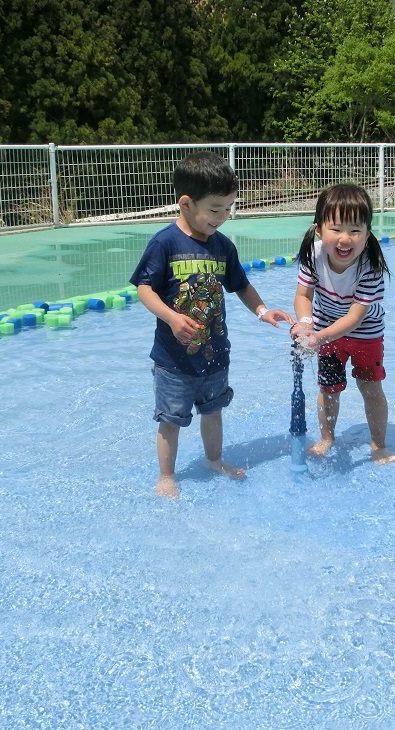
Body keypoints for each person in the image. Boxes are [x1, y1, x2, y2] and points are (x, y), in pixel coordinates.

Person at [130, 151, 293, 498]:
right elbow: (144, 289)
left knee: (213, 411)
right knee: (171, 420)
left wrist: (263, 311)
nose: (223, 217)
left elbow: (241, 286)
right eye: (215, 209)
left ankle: (214, 459)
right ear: (186, 204)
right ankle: (166, 476)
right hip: (174, 359)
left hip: (215, 353)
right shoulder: (165, 243)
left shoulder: (222, 247)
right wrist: (172, 318)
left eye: (228, 208)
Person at [289, 184, 395, 465]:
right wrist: (305, 323)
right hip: (326, 330)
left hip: (365, 334)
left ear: (367, 234)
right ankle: (327, 438)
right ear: (319, 230)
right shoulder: (313, 255)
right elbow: (303, 296)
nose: (345, 239)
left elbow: (355, 317)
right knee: (329, 389)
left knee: (370, 388)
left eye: (355, 230)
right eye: (336, 229)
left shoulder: (370, 266)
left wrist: (318, 337)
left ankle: (378, 444)